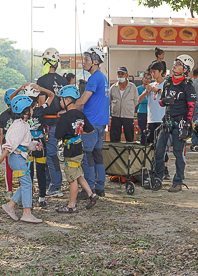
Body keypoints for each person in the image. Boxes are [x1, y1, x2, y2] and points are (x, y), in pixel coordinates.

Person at [0, 95, 43, 223]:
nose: (33, 110)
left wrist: (35, 146)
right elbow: (11, 143)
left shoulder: (22, 124)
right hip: (17, 158)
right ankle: (27, 212)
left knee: (26, 183)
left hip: (19, 157)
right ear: (26, 111)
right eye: (31, 108)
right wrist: (2, 157)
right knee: (27, 184)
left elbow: (24, 143)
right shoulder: (19, 125)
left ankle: (10, 206)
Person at [54, 85, 100, 213]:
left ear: (68, 100)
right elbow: (90, 130)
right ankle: (91, 194)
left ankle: (71, 205)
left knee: (72, 179)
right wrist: (78, 133)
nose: (60, 102)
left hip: (70, 150)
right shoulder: (81, 115)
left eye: (61, 99)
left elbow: (58, 135)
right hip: (79, 148)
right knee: (78, 173)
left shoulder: (65, 118)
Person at [154, 54, 196, 193]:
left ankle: (178, 181)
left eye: (179, 64)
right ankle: (158, 178)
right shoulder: (167, 82)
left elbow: (191, 106)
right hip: (167, 122)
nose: (175, 65)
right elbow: (160, 102)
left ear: (185, 69)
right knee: (159, 151)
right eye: (175, 62)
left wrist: (187, 124)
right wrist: (165, 101)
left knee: (178, 153)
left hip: (180, 122)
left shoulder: (188, 86)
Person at [72, 46, 109, 196]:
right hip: (100, 123)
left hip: (91, 122)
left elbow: (83, 100)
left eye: (86, 60)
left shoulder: (94, 78)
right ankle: (100, 186)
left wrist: (69, 109)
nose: (83, 63)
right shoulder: (103, 77)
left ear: (95, 61)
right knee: (97, 154)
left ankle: (88, 188)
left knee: (87, 155)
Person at [36, 48, 67, 196]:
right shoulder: (64, 81)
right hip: (61, 121)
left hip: (48, 123)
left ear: (45, 62)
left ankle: (55, 186)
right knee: (50, 153)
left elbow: (43, 104)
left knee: (49, 154)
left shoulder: (42, 81)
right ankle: (49, 183)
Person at [138, 62, 167, 148]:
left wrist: (158, 90)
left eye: (154, 72)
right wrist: (146, 91)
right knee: (151, 145)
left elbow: (169, 97)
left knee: (161, 146)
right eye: (151, 72)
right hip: (151, 119)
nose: (152, 74)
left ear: (161, 71)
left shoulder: (166, 84)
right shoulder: (150, 85)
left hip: (162, 119)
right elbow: (139, 100)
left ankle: (163, 161)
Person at [108, 66, 138, 143]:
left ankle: (129, 154)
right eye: (119, 74)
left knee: (129, 137)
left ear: (127, 75)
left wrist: (128, 107)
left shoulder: (132, 87)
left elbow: (136, 101)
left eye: (122, 74)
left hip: (128, 116)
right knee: (114, 138)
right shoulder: (113, 88)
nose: (120, 76)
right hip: (116, 116)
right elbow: (110, 101)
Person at [136, 73, 151, 139]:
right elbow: (139, 100)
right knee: (142, 130)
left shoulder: (152, 88)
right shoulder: (138, 88)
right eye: (146, 78)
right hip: (141, 112)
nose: (147, 80)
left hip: (150, 112)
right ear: (142, 79)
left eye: (149, 78)